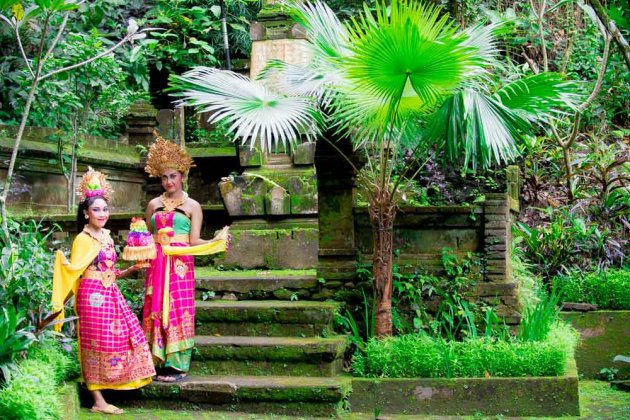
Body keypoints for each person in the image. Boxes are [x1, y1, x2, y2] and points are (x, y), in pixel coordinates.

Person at [51, 168, 155, 415]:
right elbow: (77, 271)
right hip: (92, 297)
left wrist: (132, 269)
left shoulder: (107, 237)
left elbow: (110, 271)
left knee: (129, 335)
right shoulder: (83, 239)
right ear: (86, 213)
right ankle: (98, 400)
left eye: (105, 209)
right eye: (96, 209)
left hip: (111, 293)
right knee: (93, 343)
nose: (102, 214)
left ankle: (112, 386)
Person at [143, 135, 228, 382]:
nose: (168, 181)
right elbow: (147, 237)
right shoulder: (153, 205)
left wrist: (215, 242)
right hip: (157, 263)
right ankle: (155, 360)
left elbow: (194, 241)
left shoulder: (193, 206)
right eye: (164, 177)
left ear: (182, 176)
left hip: (180, 265)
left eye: (173, 176)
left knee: (178, 309)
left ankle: (177, 365)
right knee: (154, 307)